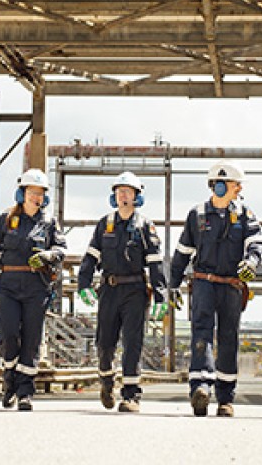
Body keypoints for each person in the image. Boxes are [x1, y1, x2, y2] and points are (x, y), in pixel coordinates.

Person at [169, 159, 262, 417]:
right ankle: (200, 388)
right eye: (236, 185)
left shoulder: (245, 215)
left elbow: (256, 243)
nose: (239, 190)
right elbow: (182, 253)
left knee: (228, 338)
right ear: (220, 185)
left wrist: (251, 262)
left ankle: (225, 398)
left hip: (232, 287)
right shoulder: (197, 214)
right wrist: (173, 286)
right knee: (201, 335)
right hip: (204, 283)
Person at [0, 168, 67, 411]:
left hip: (37, 287)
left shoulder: (49, 223)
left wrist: (49, 254)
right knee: (10, 334)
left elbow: (61, 250)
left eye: (40, 193)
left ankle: (25, 392)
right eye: (32, 192)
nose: (36, 197)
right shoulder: (6, 220)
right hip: (9, 286)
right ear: (21, 193)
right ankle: (10, 377)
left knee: (32, 340)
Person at [78, 171, 168, 413]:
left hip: (135, 291)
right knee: (104, 343)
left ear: (137, 196)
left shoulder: (145, 227)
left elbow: (156, 263)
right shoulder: (104, 224)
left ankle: (131, 396)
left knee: (132, 343)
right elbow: (90, 257)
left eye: (128, 191)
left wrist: (161, 296)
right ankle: (106, 380)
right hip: (109, 290)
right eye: (119, 191)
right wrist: (83, 284)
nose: (123, 195)